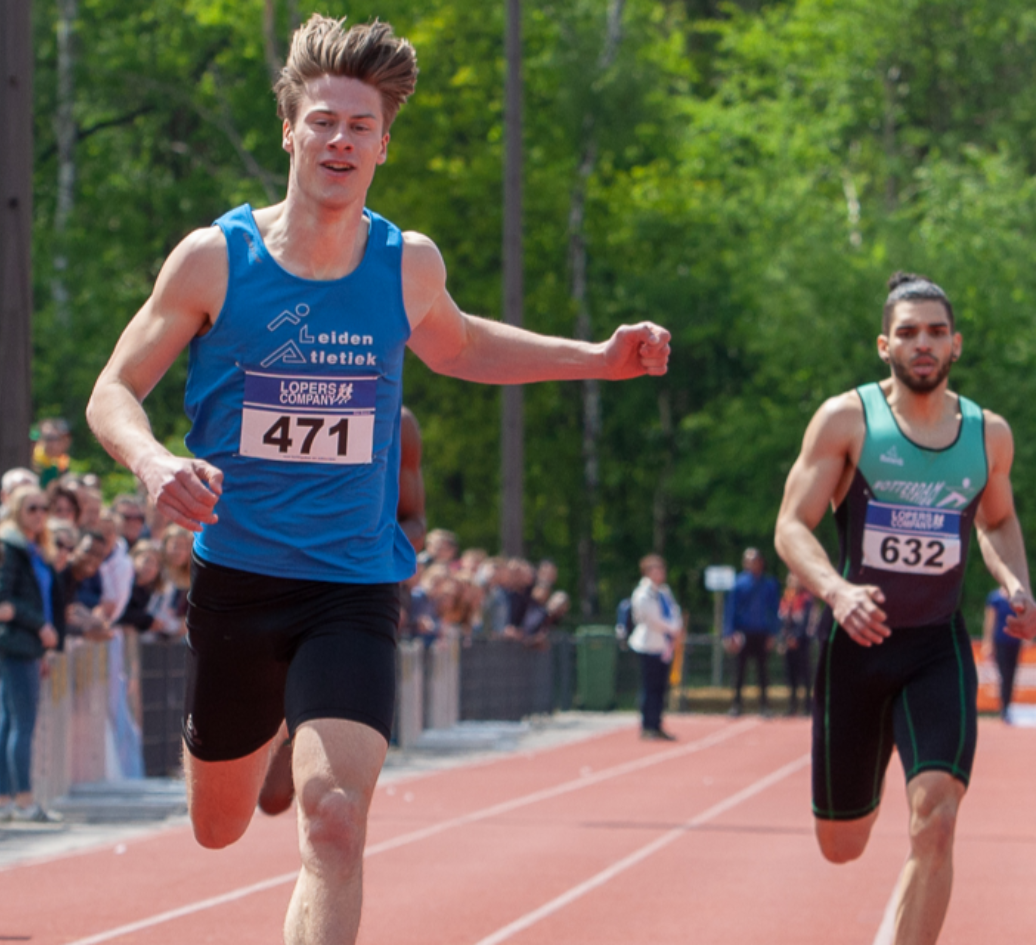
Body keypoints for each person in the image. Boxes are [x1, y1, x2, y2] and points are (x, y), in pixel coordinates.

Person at [82, 16, 669, 945]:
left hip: (353, 586)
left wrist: (598, 359)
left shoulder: (407, 263)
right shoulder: (213, 260)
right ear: (290, 131)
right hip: (238, 578)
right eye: (323, 121)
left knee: (335, 819)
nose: (339, 141)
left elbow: (466, 344)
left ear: (384, 144)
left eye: (360, 126)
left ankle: (307, 747)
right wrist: (152, 459)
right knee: (217, 825)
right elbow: (113, 389)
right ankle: (268, 730)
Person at [774, 271, 1036, 945]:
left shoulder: (988, 435)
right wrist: (836, 591)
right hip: (858, 650)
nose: (922, 343)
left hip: (935, 647)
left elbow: (998, 521)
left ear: (955, 344)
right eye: (908, 332)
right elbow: (790, 527)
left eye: (935, 331)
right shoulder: (847, 420)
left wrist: (1016, 583)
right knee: (843, 843)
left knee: (937, 819)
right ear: (883, 345)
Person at [0, 487, 63, 822]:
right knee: (20, 723)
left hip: (28, 643)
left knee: (11, 722)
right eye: (31, 508)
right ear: (16, 510)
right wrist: (40, 625)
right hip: (17, 643)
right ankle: (23, 800)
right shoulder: (10, 547)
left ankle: (8, 800)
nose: (39, 514)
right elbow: (4, 600)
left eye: (44, 508)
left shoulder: (34, 548)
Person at [629, 554, 682, 741]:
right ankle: (647, 725)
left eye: (661, 569)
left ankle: (657, 723)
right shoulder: (642, 594)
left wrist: (676, 626)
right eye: (655, 569)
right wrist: (673, 627)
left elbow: (675, 611)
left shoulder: (664, 592)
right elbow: (653, 619)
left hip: (664, 645)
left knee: (661, 688)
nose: (660, 573)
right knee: (649, 687)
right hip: (648, 645)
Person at [726, 547, 780, 716]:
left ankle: (765, 706)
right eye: (748, 561)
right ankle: (736, 705)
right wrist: (728, 634)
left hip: (762, 632)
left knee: (763, 672)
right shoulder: (738, 583)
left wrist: (773, 633)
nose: (751, 564)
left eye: (754, 560)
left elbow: (774, 610)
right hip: (743, 633)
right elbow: (730, 610)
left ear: (761, 562)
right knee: (739, 671)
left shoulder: (770, 584)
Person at [779, 573, 820, 716]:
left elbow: (807, 622)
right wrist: (784, 640)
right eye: (790, 580)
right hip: (788, 643)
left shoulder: (807, 599)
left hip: (802, 642)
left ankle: (808, 707)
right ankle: (792, 705)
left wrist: (796, 638)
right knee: (790, 675)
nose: (793, 582)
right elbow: (782, 621)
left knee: (805, 675)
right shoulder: (786, 598)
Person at [981, 584, 1023, 721]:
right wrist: (987, 641)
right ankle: (1004, 706)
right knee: (1003, 673)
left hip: (1015, 641)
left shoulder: (1019, 597)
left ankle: (1007, 706)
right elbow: (990, 620)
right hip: (1000, 641)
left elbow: (1023, 616)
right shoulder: (995, 598)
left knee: (1011, 674)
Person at [32, 419, 72, 489]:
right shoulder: (34, 459)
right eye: (48, 438)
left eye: (54, 438)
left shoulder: (64, 461)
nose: (51, 443)